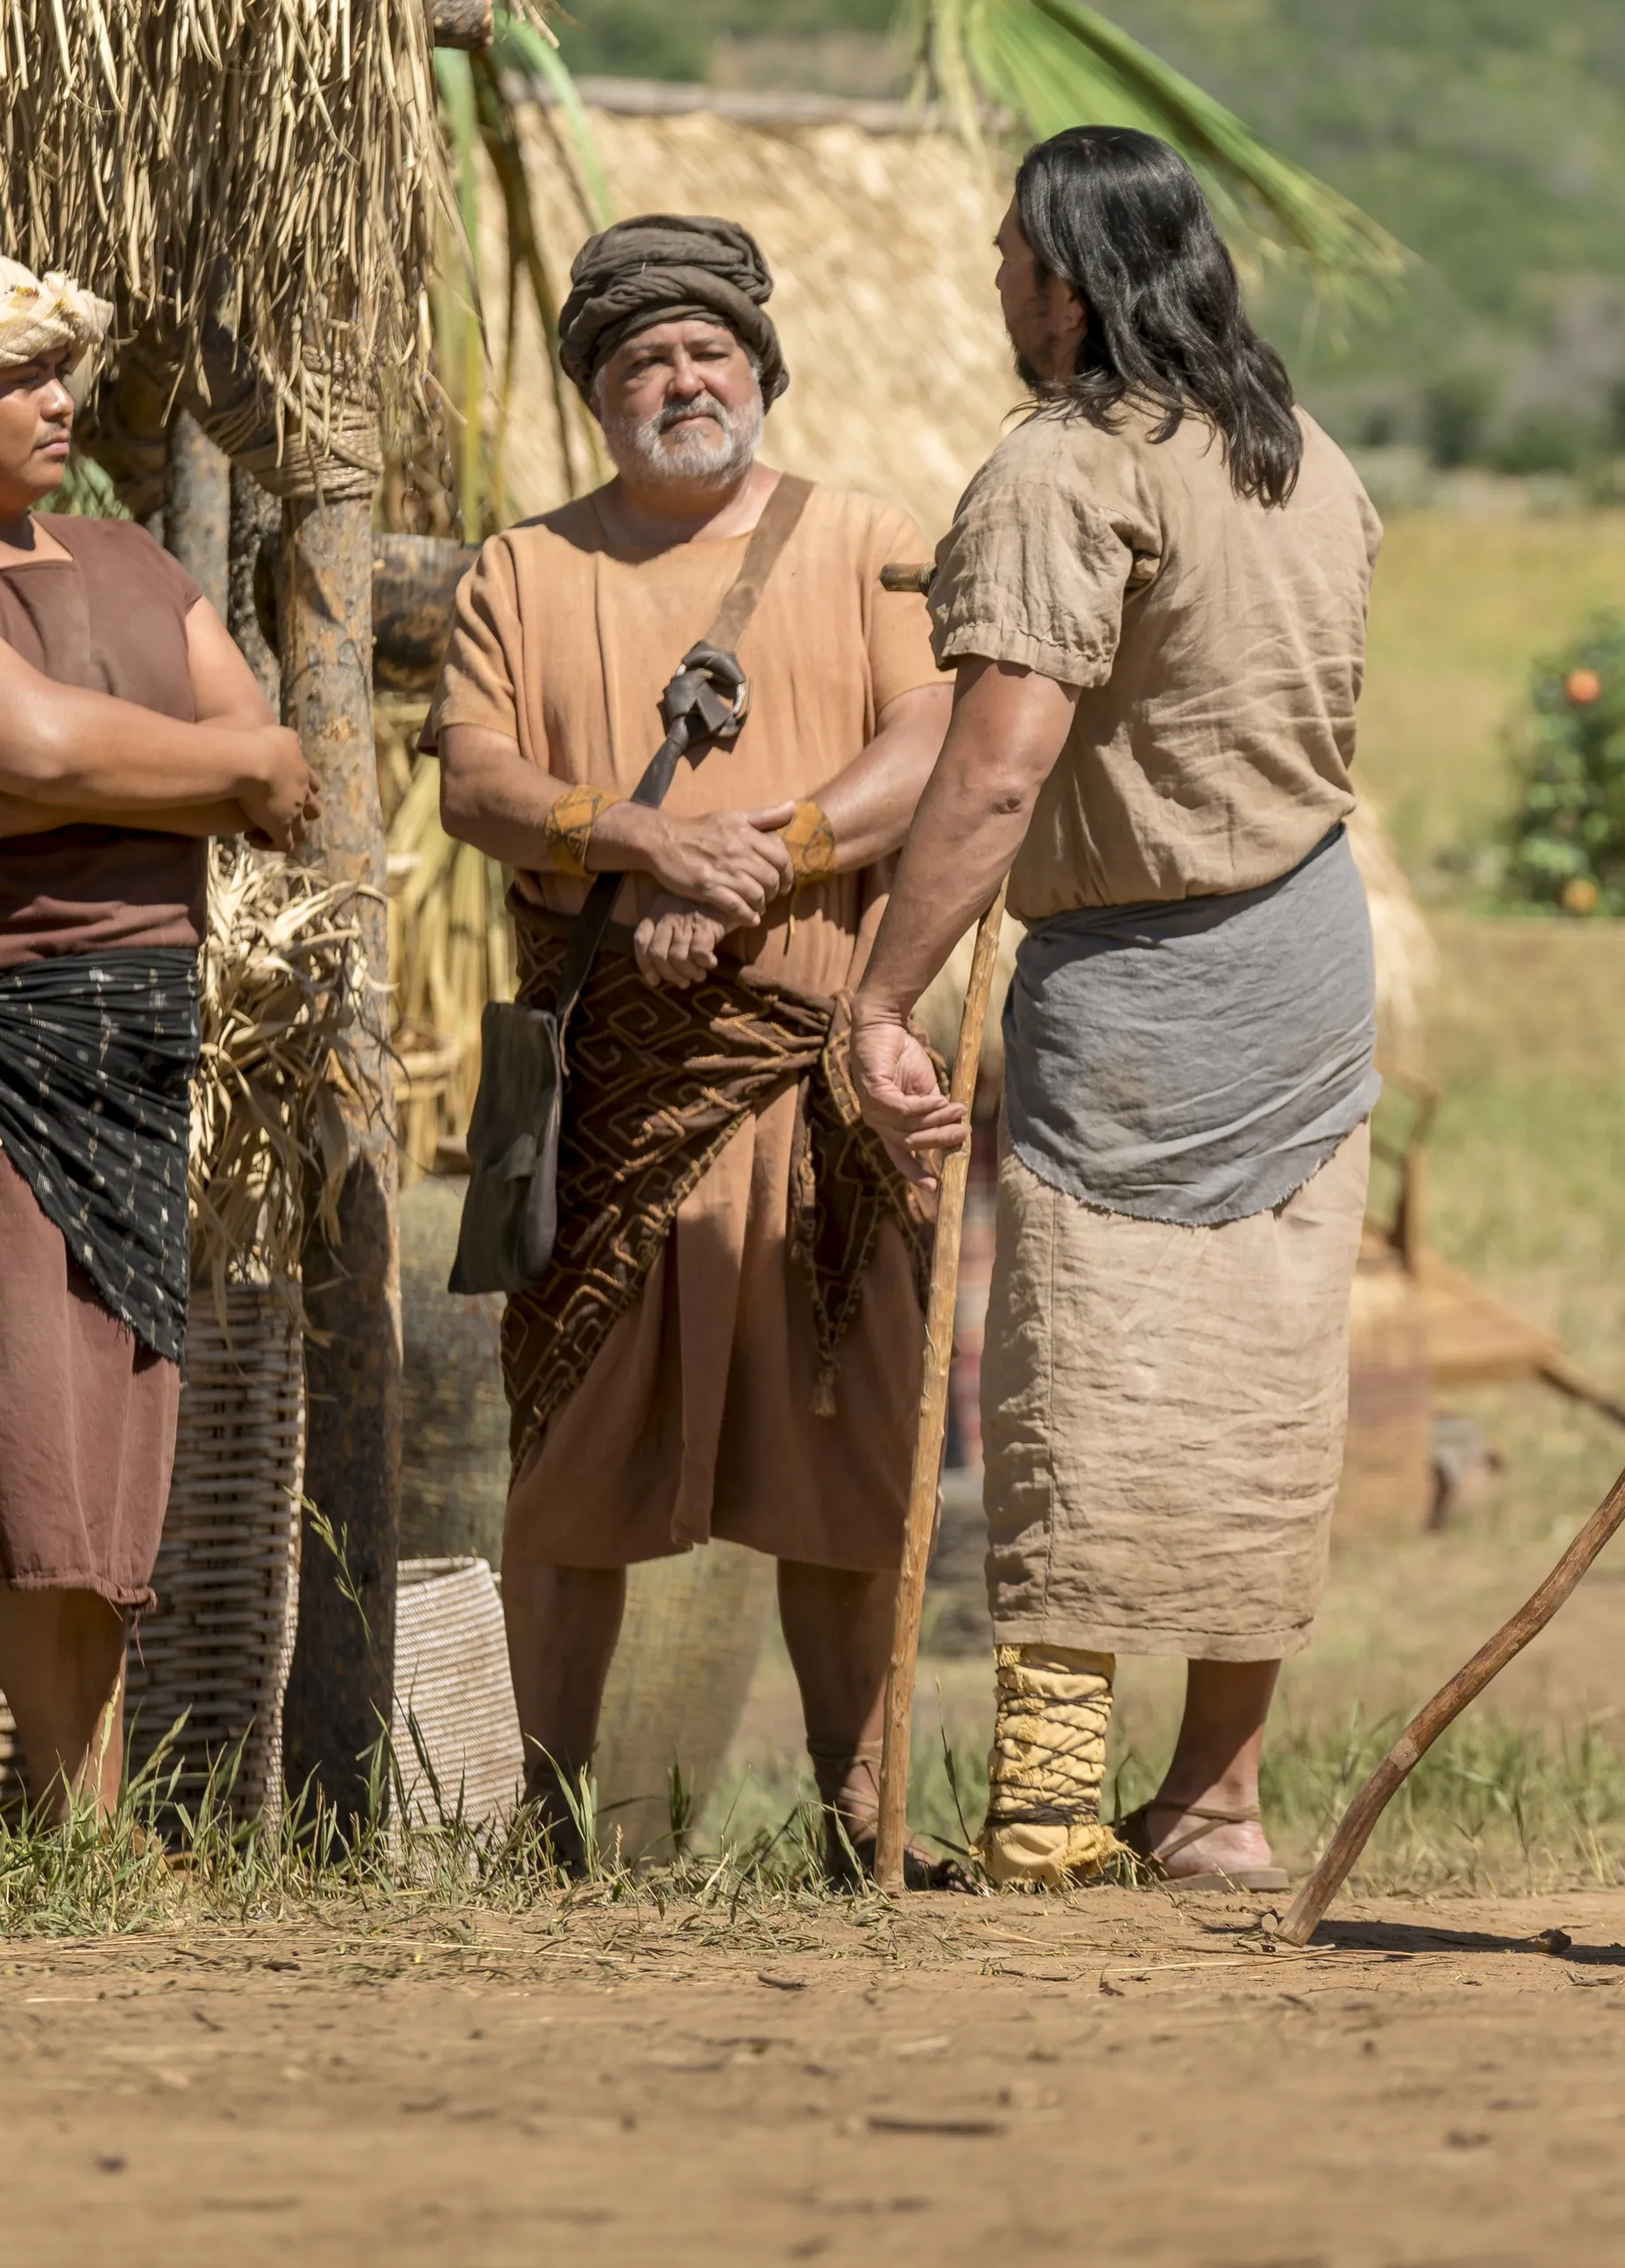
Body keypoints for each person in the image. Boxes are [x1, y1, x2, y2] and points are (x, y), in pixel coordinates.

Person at [846, 127, 1384, 1893]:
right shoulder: (1301, 460)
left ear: (1068, 285)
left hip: (1145, 978)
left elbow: (998, 775)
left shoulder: (1068, 467)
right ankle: (1217, 1799)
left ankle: (1053, 1805)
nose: (994, 283)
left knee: (1080, 1368)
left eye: (1010, 256)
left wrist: (880, 995)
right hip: (1307, 951)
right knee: (1270, 1375)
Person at [431, 214, 953, 1876]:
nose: (682, 377)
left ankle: (857, 1817)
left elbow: (927, 748)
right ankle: (549, 1820)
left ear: (760, 368)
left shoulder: (869, 541)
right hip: (606, 1096)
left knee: (847, 1455)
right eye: (644, 356)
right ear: (597, 392)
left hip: (823, 1083)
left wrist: (761, 859)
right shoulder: (524, 570)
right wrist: (638, 843)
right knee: (568, 1463)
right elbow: (474, 783)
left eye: (709, 349)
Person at [0, 258, 318, 1816]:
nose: (57, 402)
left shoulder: (129, 559)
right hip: (8, 1046)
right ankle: (67, 1823)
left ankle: (85, 1828)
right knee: (29, 1436)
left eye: (60, 372)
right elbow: (31, 744)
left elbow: (279, 766)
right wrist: (189, 768)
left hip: (137, 1051)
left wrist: (102, 774)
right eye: (18, 379)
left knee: (111, 1434)